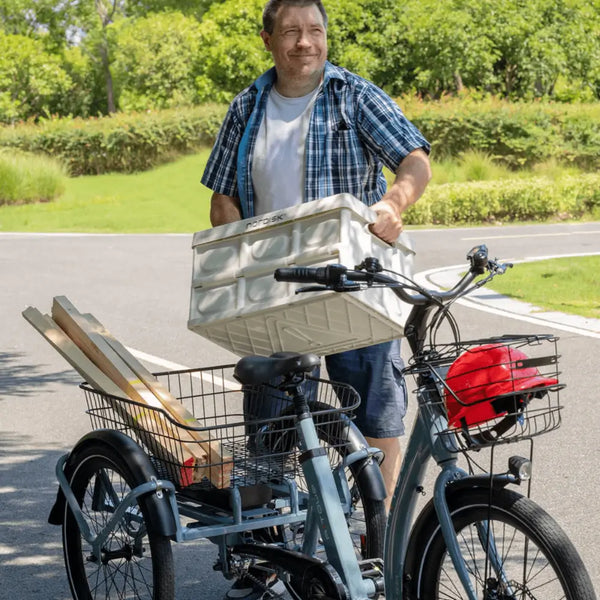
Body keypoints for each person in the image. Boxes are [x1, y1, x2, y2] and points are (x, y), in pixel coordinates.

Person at [202, 1, 431, 597]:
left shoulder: (354, 95)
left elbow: (414, 159)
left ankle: (377, 545)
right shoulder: (246, 106)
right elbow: (223, 195)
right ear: (269, 40)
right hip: (271, 291)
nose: (306, 42)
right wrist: (234, 248)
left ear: (326, 37)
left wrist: (394, 204)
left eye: (315, 31)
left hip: (353, 283)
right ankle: (269, 550)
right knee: (270, 424)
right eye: (292, 32)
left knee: (376, 412)